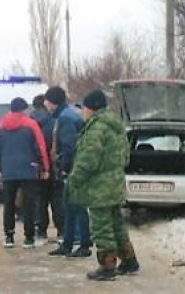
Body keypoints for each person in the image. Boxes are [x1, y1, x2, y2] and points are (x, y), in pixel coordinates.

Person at [67, 89, 139, 281]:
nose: (83, 111)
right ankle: (129, 260)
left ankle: (107, 266)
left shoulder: (97, 128)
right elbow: (125, 156)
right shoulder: (116, 125)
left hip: (99, 187)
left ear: (92, 108)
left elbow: (88, 160)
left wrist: (74, 179)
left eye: (84, 108)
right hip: (115, 183)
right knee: (116, 224)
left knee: (101, 226)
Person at [0, 97, 51, 249]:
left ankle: (9, 236)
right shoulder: (31, 124)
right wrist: (45, 168)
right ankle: (29, 238)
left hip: (8, 171)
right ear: (24, 109)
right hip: (28, 170)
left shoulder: (0, 126)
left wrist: (1, 168)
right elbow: (40, 147)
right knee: (28, 204)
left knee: (9, 204)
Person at [44, 86, 93, 259]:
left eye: (47, 101)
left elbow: (69, 146)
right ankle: (68, 243)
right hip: (76, 167)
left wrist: (64, 168)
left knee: (77, 207)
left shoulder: (65, 118)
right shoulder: (70, 114)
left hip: (74, 169)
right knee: (69, 207)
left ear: (52, 102)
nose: (45, 104)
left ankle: (84, 244)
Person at [30, 93, 59, 245]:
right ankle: (61, 231)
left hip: (34, 167)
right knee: (56, 199)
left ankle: (40, 232)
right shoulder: (54, 121)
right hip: (53, 166)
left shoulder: (28, 122)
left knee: (39, 200)